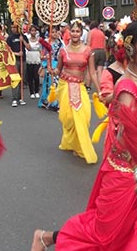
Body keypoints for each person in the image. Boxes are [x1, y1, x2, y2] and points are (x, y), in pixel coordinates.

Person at [29, 20, 137, 251]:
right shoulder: (126, 89)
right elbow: (126, 140)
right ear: (131, 49)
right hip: (126, 175)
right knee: (102, 232)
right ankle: (46, 237)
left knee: (136, 233)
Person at [50, 20, 100, 164]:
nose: (75, 34)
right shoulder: (63, 50)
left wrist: (100, 90)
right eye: (73, 31)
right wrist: (53, 71)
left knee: (84, 118)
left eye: (78, 31)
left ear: (81, 33)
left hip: (80, 86)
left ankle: (79, 146)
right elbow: (58, 69)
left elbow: (92, 72)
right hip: (65, 85)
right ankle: (72, 143)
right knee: (68, 119)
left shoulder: (88, 51)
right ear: (69, 32)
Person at [6, 23, 30, 107]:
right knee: (15, 79)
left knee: (21, 79)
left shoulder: (23, 36)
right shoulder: (9, 38)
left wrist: (22, 40)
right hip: (14, 61)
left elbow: (29, 47)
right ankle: (14, 98)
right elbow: (7, 50)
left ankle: (21, 97)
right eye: (11, 27)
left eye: (14, 27)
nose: (13, 29)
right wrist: (17, 53)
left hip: (22, 60)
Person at [38, 26, 62, 111]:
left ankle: (55, 103)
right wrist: (46, 57)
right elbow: (41, 56)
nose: (54, 34)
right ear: (49, 33)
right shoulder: (46, 43)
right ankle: (47, 101)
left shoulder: (60, 43)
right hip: (49, 64)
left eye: (56, 32)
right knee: (48, 84)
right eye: (53, 32)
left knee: (56, 84)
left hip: (57, 65)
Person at [25, 26, 41, 99]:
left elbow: (41, 49)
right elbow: (28, 48)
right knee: (30, 76)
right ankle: (31, 92)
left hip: (37, 58)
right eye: (32, 31)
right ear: (30, 32)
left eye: (34, 31)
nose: (33, 32)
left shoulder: (39, 40)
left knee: (36, 76)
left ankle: (37, 91)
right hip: (30, 58)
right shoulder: (28, 40)